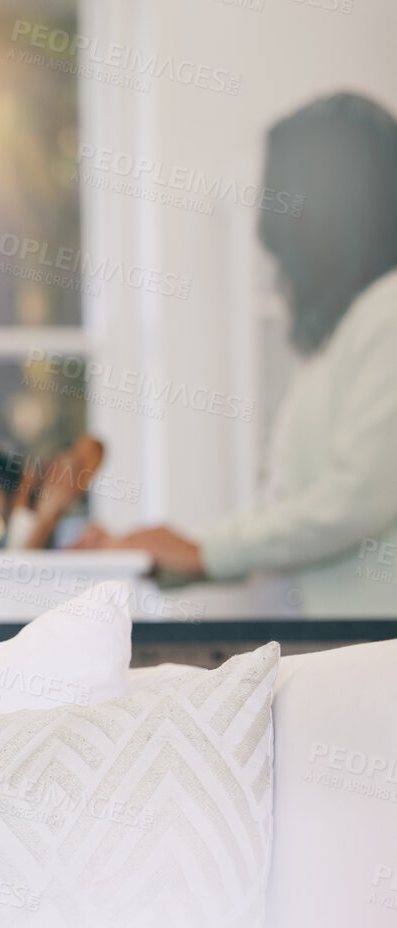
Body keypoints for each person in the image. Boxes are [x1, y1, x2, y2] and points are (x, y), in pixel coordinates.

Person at [76, 92, 397, 615]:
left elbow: (355, 499)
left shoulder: (389, 312)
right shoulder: (350, 326)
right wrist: (169, 555)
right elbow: (297, 513)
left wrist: (204, 552)